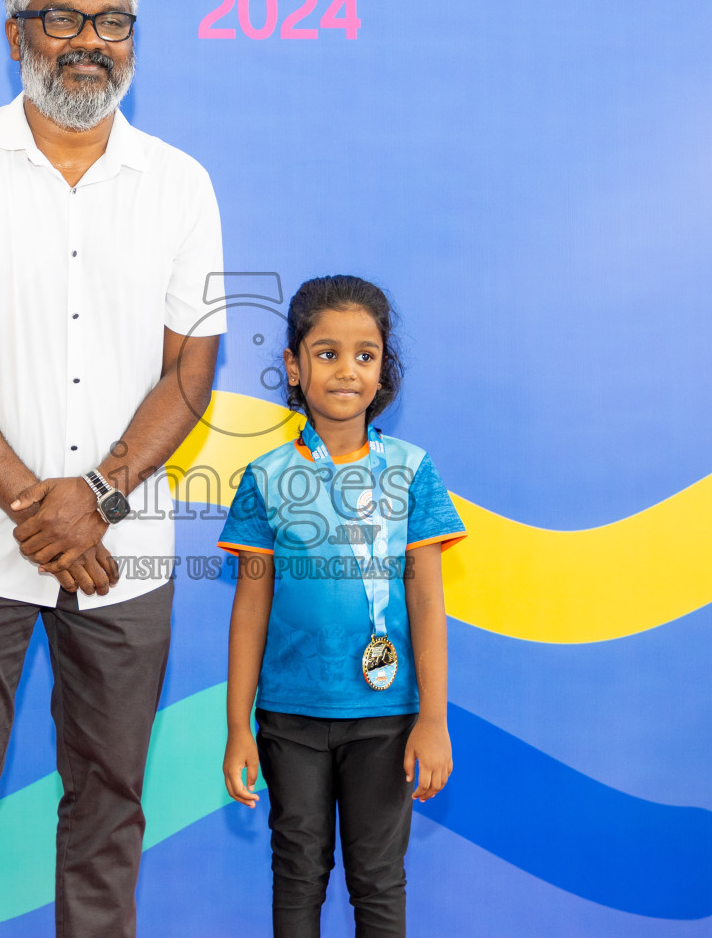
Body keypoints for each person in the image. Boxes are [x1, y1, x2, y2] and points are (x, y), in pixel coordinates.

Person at [0, 0, 226, 938]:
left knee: (110, 808)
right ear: (16, 34)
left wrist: (97, 501)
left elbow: (190, 371)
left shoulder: (181, 184)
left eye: (111, 23)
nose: (89, 43)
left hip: (128, 554)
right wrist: (43, 506)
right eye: (63, 19)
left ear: (133, 41)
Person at [218, 275, 466, 938]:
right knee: (297, 871)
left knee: (378, 878)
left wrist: (433, 720)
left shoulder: (412, 470)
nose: (347, 371)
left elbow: (427, 600)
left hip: (386, 716)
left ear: (385, 369)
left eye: (366, 354)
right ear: (293, 367)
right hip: (289, 718)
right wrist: (239, 725)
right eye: (326, 353)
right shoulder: (266, 476)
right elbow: (249, 606)